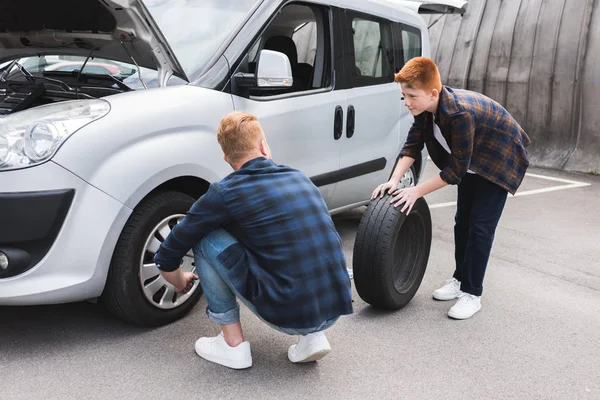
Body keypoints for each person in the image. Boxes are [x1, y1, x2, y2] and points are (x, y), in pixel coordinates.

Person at [154, 111, 353, 369]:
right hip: (334, 306)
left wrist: (180, 281)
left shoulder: (224, 193)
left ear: (226, 157)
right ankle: (312, 338)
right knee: (294, 241)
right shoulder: (299, 178)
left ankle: (232, 345)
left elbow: (167, 255)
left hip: (288, 314)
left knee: (203, 236)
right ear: (263, 146)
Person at [372, 57, 530, 320]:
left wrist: (416, 191)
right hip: (471, 159)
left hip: (498, 158)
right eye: (403, 96)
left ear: (433, 93)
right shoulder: (424, 111)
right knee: (462, 222)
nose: (407, 102)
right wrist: (394, 180)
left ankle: (472, 293)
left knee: (480, 228)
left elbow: (455, 172)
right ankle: (459, 279)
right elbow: (412, 145)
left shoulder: (459, 114)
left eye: (411, 95)